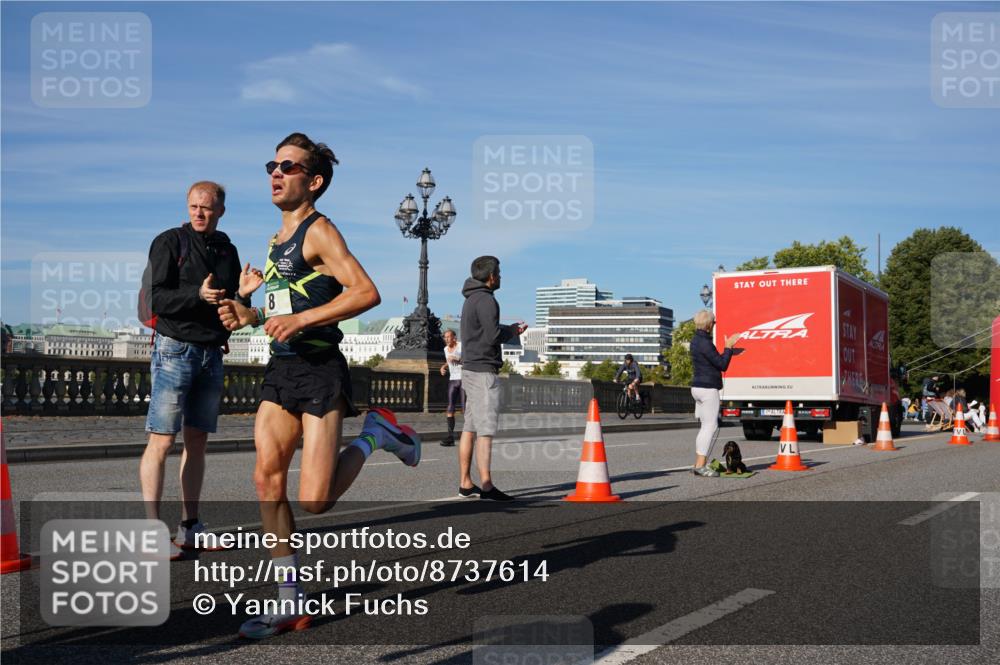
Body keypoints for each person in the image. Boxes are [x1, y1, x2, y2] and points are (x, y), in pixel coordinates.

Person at [217, 133, 420, 639]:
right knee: (266, 480)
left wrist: (305, 322)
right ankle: (289, 599)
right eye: (273, 164)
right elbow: (285, 308)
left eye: (289, 166)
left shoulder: (319, 231)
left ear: (314, 180)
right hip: (281, 370)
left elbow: (366, 292)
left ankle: (376, 433)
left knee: (316, 502)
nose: (276, 173)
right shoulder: (274, 241)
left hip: (321, 371)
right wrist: (250, 312)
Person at [141, 181, 263, 560]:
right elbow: (155, 298)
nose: (199, 212)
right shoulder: (169, 242)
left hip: (212, 352)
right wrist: (196, 294)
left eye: (206, 208)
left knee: (197, 442)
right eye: (194, 206)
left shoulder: (227, 248)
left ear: (220, 211)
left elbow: (230, 314)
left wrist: (243, 294)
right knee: (162, 441)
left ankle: (190, 526)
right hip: (174, 348)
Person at [457, 256, 527, 501]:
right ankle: (486, 485)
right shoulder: (487, 300)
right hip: (484, 370)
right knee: (485, 430)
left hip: (469, 368)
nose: (500, 276)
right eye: (498, 272)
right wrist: (514, 330)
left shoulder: (469, 299)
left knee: (470, 427)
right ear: (491, 276)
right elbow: (492, 335)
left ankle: (465, 482)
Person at [689, 309, 740, 477]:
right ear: (709, 324)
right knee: (710, 427)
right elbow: (721, 364)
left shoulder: (695, 340)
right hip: (708, 388)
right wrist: (728, 348)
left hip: (696, 387)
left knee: (704, 427)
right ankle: (701, 466)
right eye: (714, 322)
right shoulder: (705, 343)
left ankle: (697, 463)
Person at [439, 328, 464, 446]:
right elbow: (448, 362)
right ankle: (450, 437)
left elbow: (469, 361)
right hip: (453, 379)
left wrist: (458, 359)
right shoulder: (445, 349)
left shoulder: (461, 346)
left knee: (465, 408)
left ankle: (470, 434)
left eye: (449, 337)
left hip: (464, 379)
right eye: (445, 337)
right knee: (450, 407)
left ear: (454, 338)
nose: (447, 339)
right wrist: (443, 367)